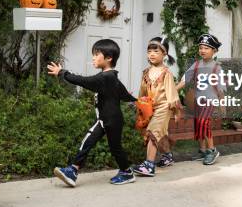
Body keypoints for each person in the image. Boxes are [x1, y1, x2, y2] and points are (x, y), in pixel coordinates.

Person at [48, 39, 137, 186]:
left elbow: (83, 81)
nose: (93, 58)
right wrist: (135, 100)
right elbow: (123, 92)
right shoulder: (111, 77)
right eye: (93, 55)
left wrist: (62, 73)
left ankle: (74, 170)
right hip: (110, 119)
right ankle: (75, 170)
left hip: (108, 120)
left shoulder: (106, 77)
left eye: (96, 54)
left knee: (101, 144)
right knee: (102, 145)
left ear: (109, 58)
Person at [132, 37, 180, 176]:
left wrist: (176, 111)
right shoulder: (146, 72)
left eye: (156, 51)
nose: (152, 54)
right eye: (149, 51)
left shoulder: (166, 73)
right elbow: (142, 91)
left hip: (164, 107)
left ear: (164, 54)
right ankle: (167, 156)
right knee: (161, 134)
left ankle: (149, 165)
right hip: (150, 107)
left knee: (153, 132)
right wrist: (140, 105)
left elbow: (172, 94)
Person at [175, 33, 225, 165]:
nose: (202, 50)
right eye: (201, 47)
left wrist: (222, 104)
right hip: (198, 100)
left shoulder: (217, 68)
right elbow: (185, 80)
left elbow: (221, 89)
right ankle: (202, 150)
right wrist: (173, 90)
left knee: (204, 123)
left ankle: (212, 150)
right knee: (198, 125)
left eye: (206, 48)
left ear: (214, 51)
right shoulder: (196, 65)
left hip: (210, 100)